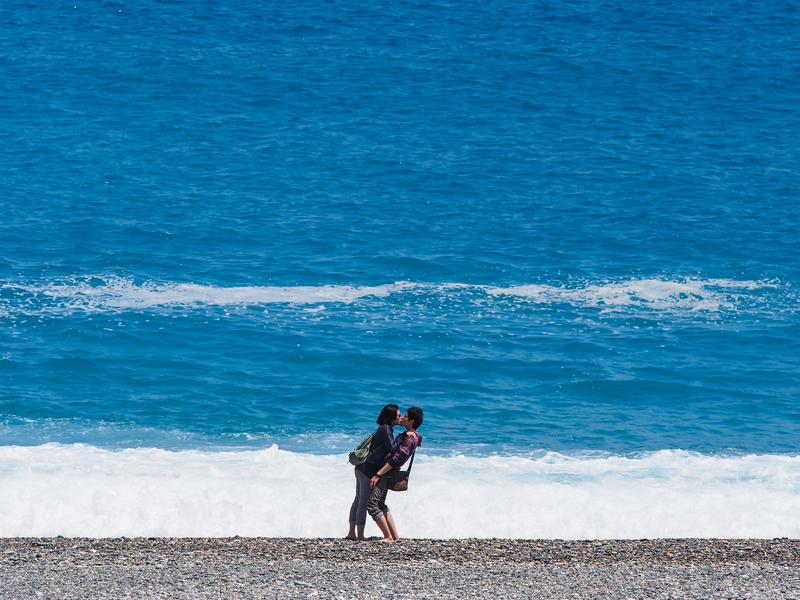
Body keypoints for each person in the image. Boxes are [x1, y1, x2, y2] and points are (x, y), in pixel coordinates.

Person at [367, 406, 423, 542]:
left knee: (372, 504)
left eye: (405, 416)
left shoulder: (410, 439)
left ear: (411, 421)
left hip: (387, 471)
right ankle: (394, 536)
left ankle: (388, 537)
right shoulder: (410, 436)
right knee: (381, 504)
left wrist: (378, 474)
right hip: (389, 471)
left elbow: (395, 459)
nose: (402, 417)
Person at [346, 404, 400, 541]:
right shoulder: (386, 429)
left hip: (361, 468)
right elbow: (394, 450)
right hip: (367, 470)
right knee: (362, 502)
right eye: (398, 416)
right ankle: (360, 536)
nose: (400, 418)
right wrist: (402, 438)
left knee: (358, 500)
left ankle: (352, 533)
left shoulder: (382, 429)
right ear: (391, 417)